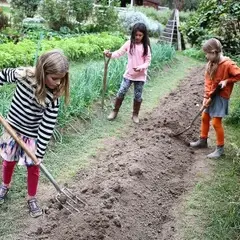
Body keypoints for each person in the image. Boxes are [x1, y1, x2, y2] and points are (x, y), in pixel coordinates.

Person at [0, 50, 69, 217]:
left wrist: (39, 152)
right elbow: (2, 75)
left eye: (61, 78)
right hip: (12, 129)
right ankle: (5, 185)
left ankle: (31, 197)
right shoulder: (23, 75)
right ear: (42, 71)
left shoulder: (53, 97)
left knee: (33, 167)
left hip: (31, 135)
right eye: (54, 78)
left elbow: (47, 125)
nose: (58, 82)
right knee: (8, 161)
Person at [190, 38, 240, 158]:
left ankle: (220, 149)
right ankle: (203, 141)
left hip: (221, 96)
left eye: (207, 54)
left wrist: (227, 81)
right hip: (211, 95)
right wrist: (206, 97)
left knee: (216, 122)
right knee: (205, 117)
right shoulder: (210, 64)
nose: (206, 57)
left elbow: (238, 75)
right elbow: (207, 82)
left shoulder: (228, 64)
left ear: (213, 52)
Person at [104, 22, 151, 124]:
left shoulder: (145, 46)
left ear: (144, 35)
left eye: (140, 35)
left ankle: (135, 114)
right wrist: (110, 55)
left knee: (138, 96)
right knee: (121, 91)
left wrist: (141, 67)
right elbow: (119, 52)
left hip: (140, 76)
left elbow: (148, 61)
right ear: (133, 34)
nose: (138, 37)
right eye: (136, 35)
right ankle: (114, 111)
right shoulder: (129, 43)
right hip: (129, 75)